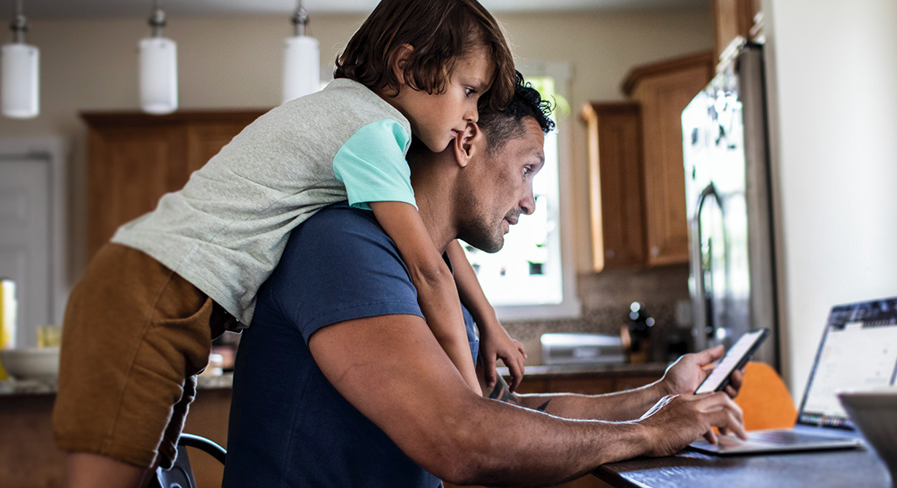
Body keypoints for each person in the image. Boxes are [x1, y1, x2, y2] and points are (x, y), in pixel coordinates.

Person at [54, 0, 525, 486]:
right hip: (148, 292)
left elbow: (434, 241)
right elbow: (427, 270)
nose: (472, 114)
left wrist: (488, 322)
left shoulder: (359, 119)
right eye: (468, 91)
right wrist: (472, 411)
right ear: (407, 66)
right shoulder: (371, 129)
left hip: (159, 293)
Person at [222, 78, 748, 487]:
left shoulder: (438, 272)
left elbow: (501, 414)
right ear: (467, 141)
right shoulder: (343, 247)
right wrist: (650, 434)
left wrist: (661, 396)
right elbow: (460, 437)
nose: (529, 201)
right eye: (527, 169)